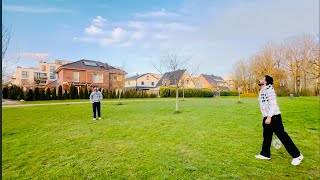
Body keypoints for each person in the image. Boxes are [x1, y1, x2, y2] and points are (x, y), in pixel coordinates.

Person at [255, 75, 303, 166]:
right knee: (267, 136)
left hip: (274, 117)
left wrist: (269, 117)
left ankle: (297, 155)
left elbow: (273, 105)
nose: (260, 80)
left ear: (265, 82)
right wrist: (266, 117)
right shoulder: (263, 90)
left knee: (283, 136)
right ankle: (265, 154)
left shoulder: (270, 90)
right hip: (267, 117)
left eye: (262, 79)